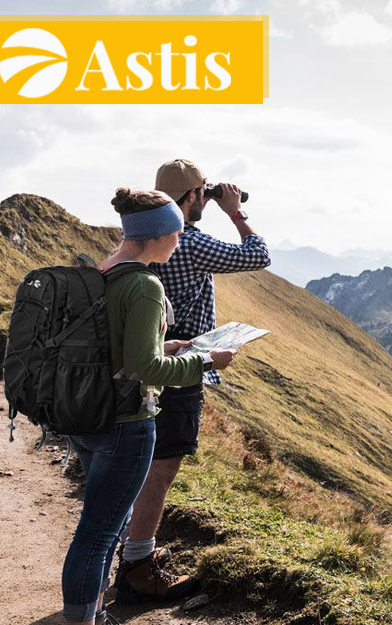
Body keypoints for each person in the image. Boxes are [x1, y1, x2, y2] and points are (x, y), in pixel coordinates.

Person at [63, 188, 236, 625]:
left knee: (100, 523)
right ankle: (83, 618)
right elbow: (147, 368)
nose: (179, 240)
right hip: (127, 422)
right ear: (157, 235)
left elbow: (122, 348)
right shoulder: (144, 285)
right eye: (176, 232)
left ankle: (92, 613)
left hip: (88, 412)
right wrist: (203, 362)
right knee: (100, 531)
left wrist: (169, 345)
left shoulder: (104, 271)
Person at [114, 159, 270, 600]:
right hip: (180, 368)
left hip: (143, 360)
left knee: (145, 463)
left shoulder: (140, 238)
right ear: (191, 197)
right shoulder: (191, 242)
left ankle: (134, 552)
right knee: (161, 469)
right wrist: (236, 212)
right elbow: (258, 255)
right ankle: (136, 567)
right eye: (203, 191)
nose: (209, 196)